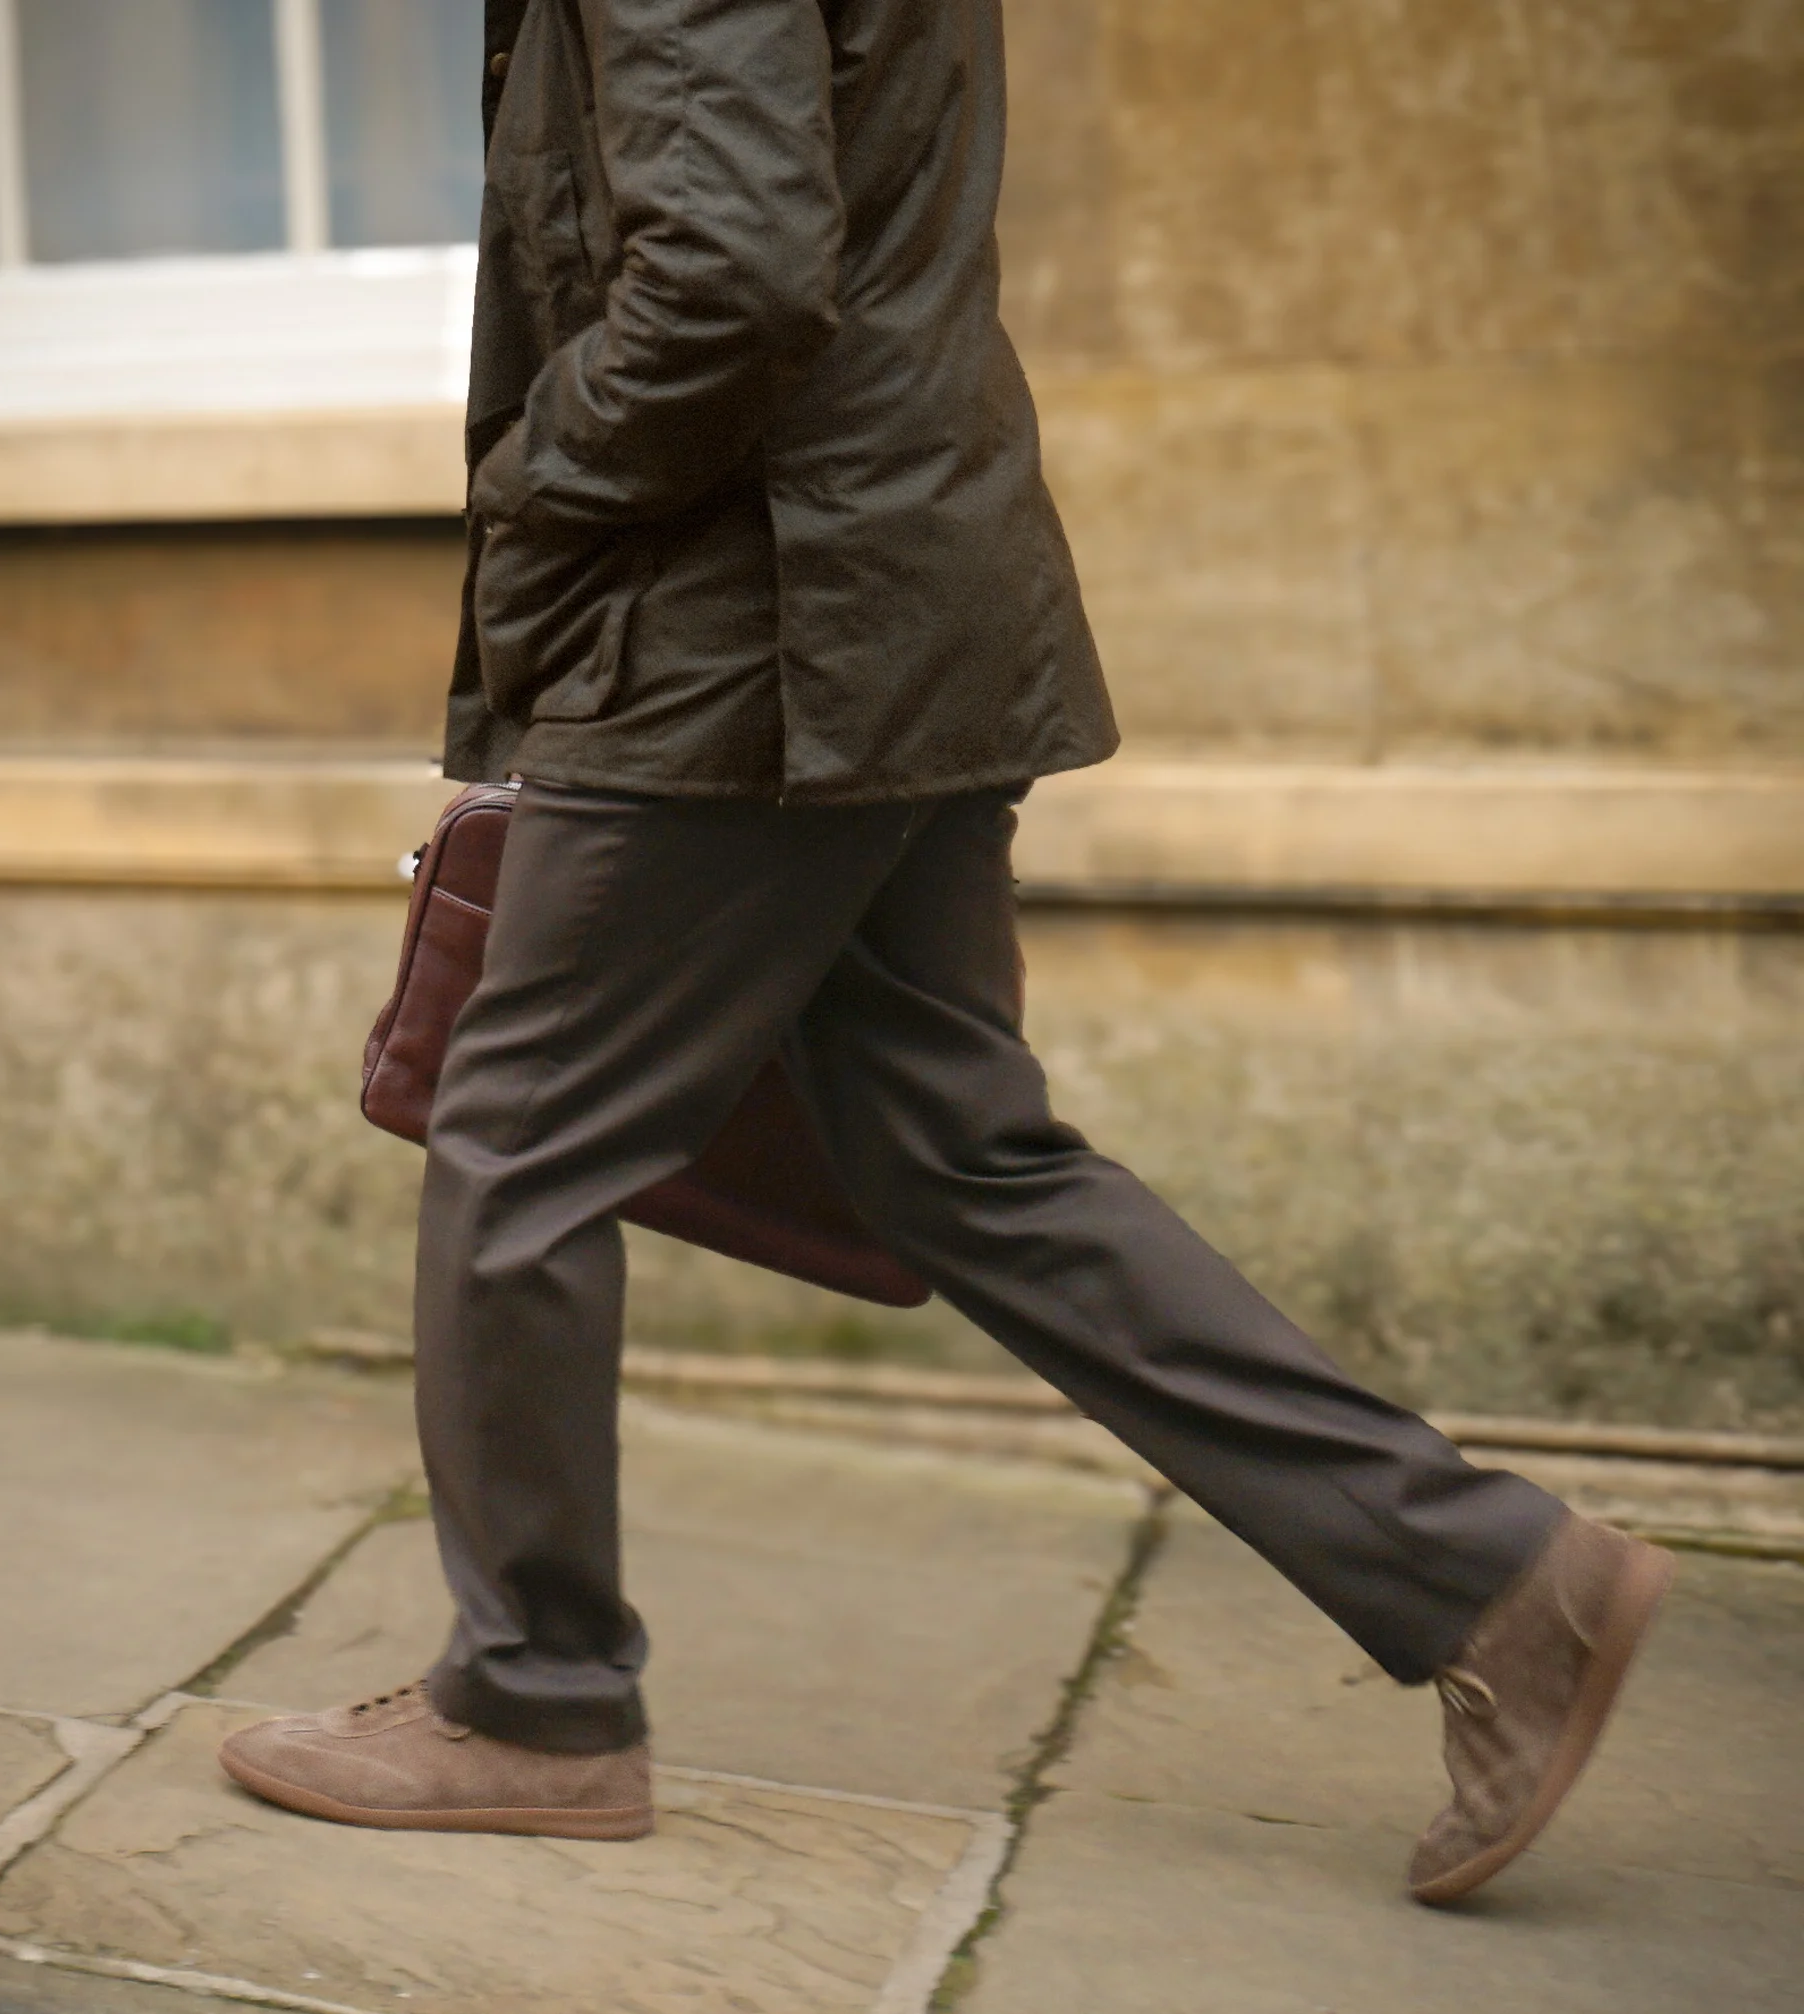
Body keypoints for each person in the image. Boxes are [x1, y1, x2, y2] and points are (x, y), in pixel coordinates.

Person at [218, 0, 1674, 1907]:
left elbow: (728, 270)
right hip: (897, 589)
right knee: (959, 1154)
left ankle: (534, 1707)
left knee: (521, 1136)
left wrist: (533, 488)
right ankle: (1494, 1578)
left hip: (748, 626)